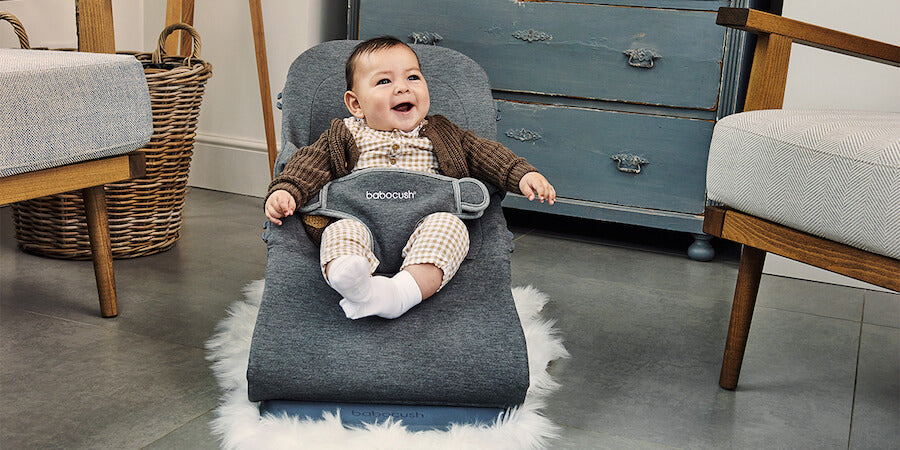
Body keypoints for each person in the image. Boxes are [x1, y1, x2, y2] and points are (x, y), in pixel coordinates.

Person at [265, 36, 555, 320]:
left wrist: (522, 174)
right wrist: (287, 191)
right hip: (360, 220)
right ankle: (350, 277)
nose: (402, 88)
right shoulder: (345, 134)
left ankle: (399, 294)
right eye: (384, 81)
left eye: (413, 78)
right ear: (356, 104)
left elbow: (487, 155)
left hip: (425, 223)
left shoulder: (444, 134)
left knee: (451, 228)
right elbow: (307, 164)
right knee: (339, 234)